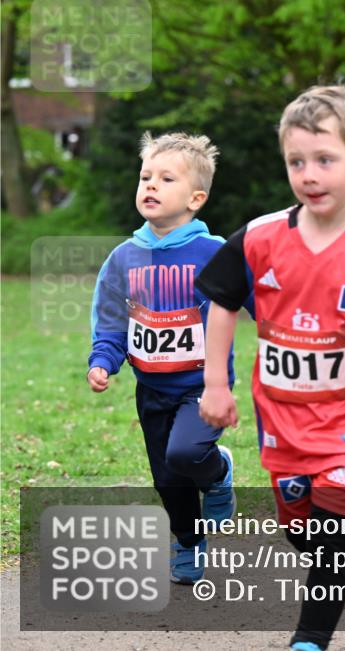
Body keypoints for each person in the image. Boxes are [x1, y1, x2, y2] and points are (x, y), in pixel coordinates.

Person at [195, 84, 345, 651]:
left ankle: (309, 640)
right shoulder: (258, 239)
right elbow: (222, 303)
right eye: (296, 162)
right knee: (298, 528)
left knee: (329, 539)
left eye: (325, 159)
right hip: (282, 418)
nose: (309, 174)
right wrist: (214, 385)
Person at [87, 131, 244, 584]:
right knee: (167, 478)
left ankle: (218, 473)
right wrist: (103, 360)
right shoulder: (123, 258)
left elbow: (259, 300)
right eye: (145, 177)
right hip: (151, 389)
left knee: (186, 453)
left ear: (196, 197)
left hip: (203, 387)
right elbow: (113, 321)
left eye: (165, 178)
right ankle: (188, 542)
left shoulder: (214, 253)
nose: (150, 186)